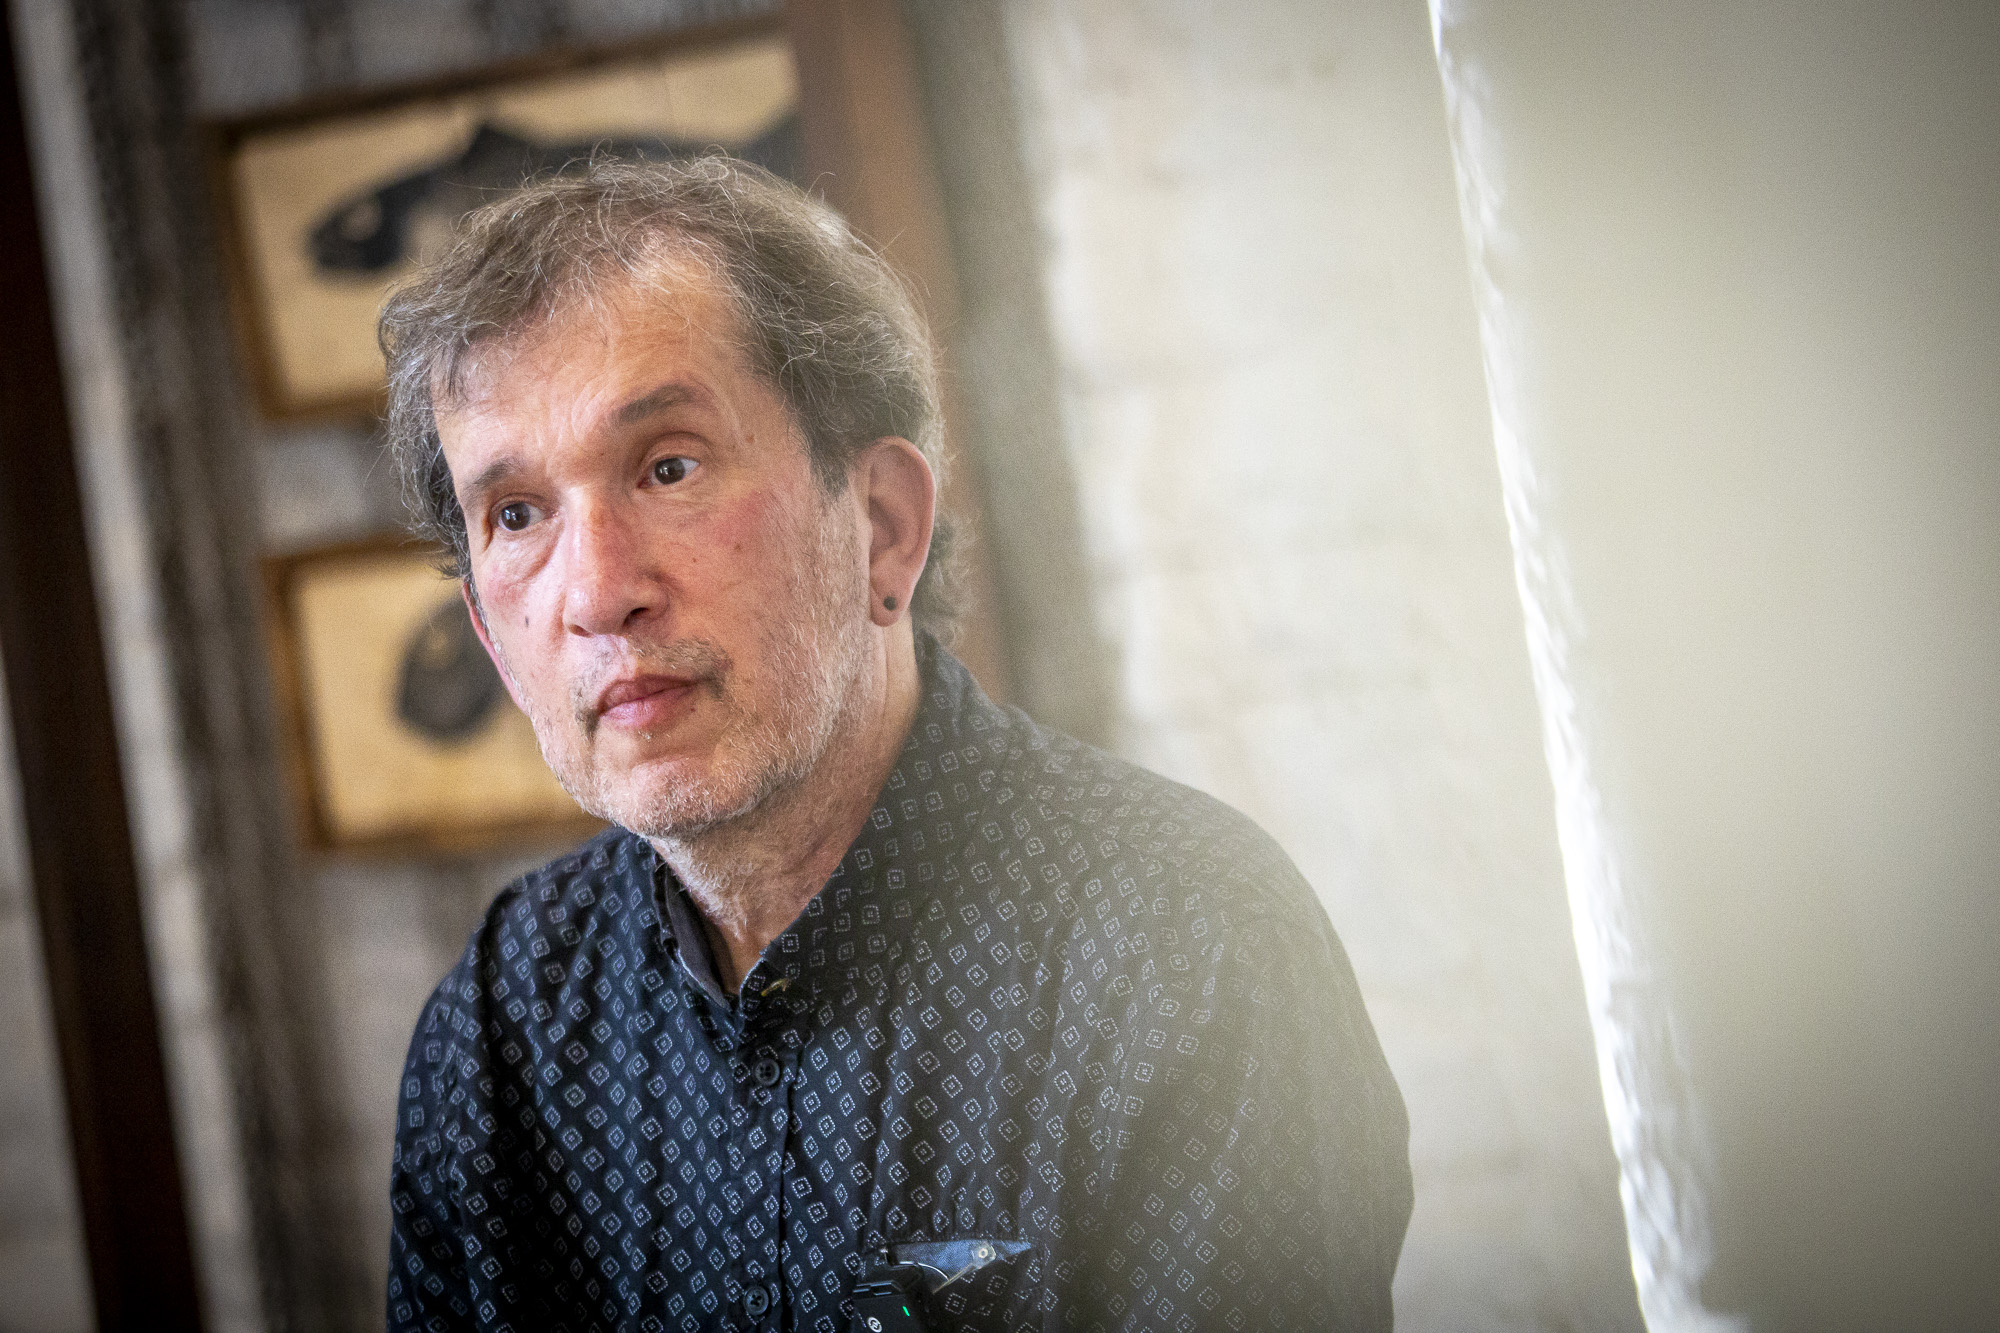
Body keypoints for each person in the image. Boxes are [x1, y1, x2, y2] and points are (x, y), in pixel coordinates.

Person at [381, 157, 1410, 1333]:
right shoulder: (496, 1030)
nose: (596, 591)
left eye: (669, 466)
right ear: (489, 635)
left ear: (881, 527)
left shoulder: (1186, 944)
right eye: (517, 515)